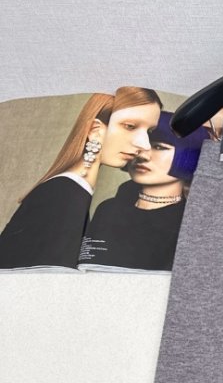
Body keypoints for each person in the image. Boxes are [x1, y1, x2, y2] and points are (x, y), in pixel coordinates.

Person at [0, 87, 162, 270]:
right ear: (95, 130)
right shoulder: (64, 195)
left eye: (149, 132)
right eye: (130, 126)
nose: (144, 144)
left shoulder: (69, 190)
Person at [79, 111, 211, 272]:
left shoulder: (197, 221)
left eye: (158, 147)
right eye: (137, 146)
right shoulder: (108, 209)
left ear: (189, 157)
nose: (142, 156)